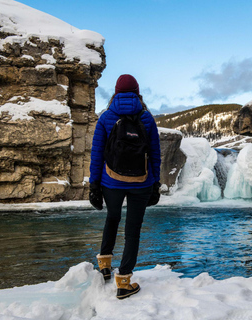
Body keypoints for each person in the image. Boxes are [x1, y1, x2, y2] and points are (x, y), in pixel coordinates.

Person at [88, 74, 161, 299]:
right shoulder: (147, 118)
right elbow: (156, 155)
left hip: (111, 181)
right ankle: (124, 282)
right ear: (137, 92)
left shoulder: (106, 117)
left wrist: (94, 186)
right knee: (133, 231)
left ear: (116, 92)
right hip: (142, 182)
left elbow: (97, 155)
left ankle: (105, 265)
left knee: (112, 218)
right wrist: (156, 184)